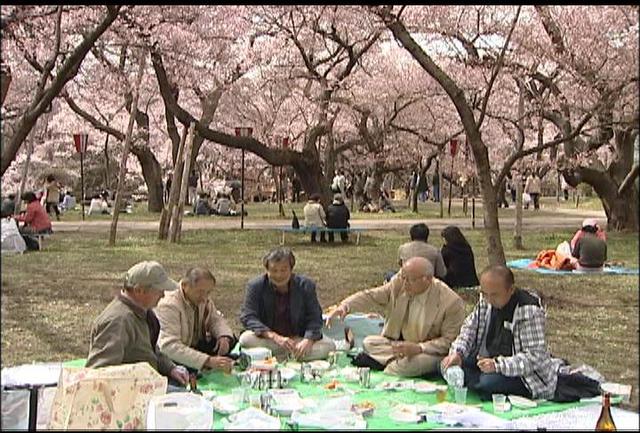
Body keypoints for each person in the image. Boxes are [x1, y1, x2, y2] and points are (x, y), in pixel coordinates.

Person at [326, 257, 465, 377]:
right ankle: (392, 361)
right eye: (403, 278)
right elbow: (370, 296)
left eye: (409, 280)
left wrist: (419, 348)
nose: (404, 284)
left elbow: (449, 341)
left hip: (427, 352)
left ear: (427, 280)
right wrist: (344, 306)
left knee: (410, 364)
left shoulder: (451, 302)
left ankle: (387, 364)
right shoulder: (399, 283)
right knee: (369, 342)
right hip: (398, 345)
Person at [441, 265, 559, 401]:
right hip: (486, 361)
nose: (489, 299)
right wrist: (458, 353)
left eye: (495, 295)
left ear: (511, 290)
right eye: (485, 293)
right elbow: (469, 329)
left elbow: (534, 358)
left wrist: (497, 365)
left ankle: (475, 382)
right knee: (447, 363)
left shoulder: (528, 311)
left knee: (488, 383)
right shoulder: (485, 299)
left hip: (523, 374)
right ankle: (473, 380)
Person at [85, 261, 189, 388]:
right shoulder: (118, 321)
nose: (163, 295)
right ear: (139, 290)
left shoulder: (141, 310)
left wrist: (171, 368)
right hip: (130, 393)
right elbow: (98, 373)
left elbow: (148, 349)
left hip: (147, 382)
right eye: (159, 290)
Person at [238, 247, 335, 361]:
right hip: (270, 339)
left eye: (283, 270)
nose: (279, 275)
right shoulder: (255, 286)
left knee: (330, 346)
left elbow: (315, 317)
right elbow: (248, 316)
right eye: (274, 270)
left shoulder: (306, 285)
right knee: (245, 339)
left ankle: (277, 356)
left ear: (291, 269)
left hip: (297, 339)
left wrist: (307, 340)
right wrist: (274, 337)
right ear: (267, 270)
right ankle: (294, 356)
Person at [156, 267, 236, 374]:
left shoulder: (202, 299)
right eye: (200, 292)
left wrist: (224, 337)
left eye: (208, 292)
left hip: (194, 345)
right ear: (185, 286)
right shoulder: (169, 305)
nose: (204, 297)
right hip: (174, 354)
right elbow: (169, 346)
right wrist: (207, 361)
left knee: (231, 339)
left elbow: (215, 319)